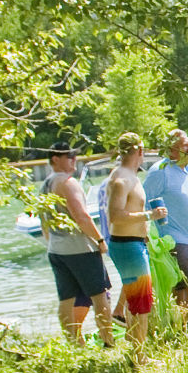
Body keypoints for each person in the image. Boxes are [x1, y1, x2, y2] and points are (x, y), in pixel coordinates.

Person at [40, 141, 114, 347]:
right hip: (80, 249)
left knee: (66, 298)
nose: (74, 160)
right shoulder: (67, 182)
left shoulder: (44, 185)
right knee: (100, 296)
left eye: (75, 156)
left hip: (56, 250)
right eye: (69, 156)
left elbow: (44, 224)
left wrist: (51, 243)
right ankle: (109, 341)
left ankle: (75, 344)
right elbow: (81, 216)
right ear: (55, 159)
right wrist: (99, 239)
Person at [104, 132, 168, 348]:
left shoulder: (130, 175)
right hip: (127, 245)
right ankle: (140, 356)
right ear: (140, 151)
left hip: (135, 243)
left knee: (138, 299)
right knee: (141, 302)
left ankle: (134, 346)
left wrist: (145, 233)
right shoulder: (121, 179)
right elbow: (115, 216)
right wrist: (151, 216)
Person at [144, 128, 188, 308]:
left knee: (183, 286)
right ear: (171, 150)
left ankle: (184, 326)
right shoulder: (160, 171)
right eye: (185, 145)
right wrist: (147, 236)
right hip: (170, 239)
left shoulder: (186, 170)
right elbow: (143, 201)